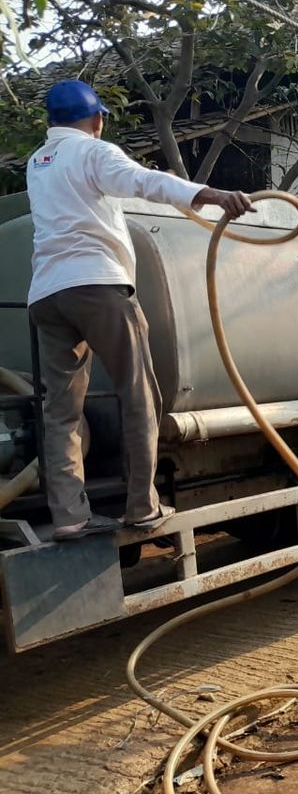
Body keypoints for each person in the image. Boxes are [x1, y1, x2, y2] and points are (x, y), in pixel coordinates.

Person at [26, 80, 253, 540]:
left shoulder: (36, 162)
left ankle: (69, 516)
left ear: (50, 122)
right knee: (138, 395)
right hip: (98, 283)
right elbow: (143, 182)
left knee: (61, 412)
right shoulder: (93, 152)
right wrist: (211, 194)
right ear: (97, 120)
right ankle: (143, 507)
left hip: (47, 294)